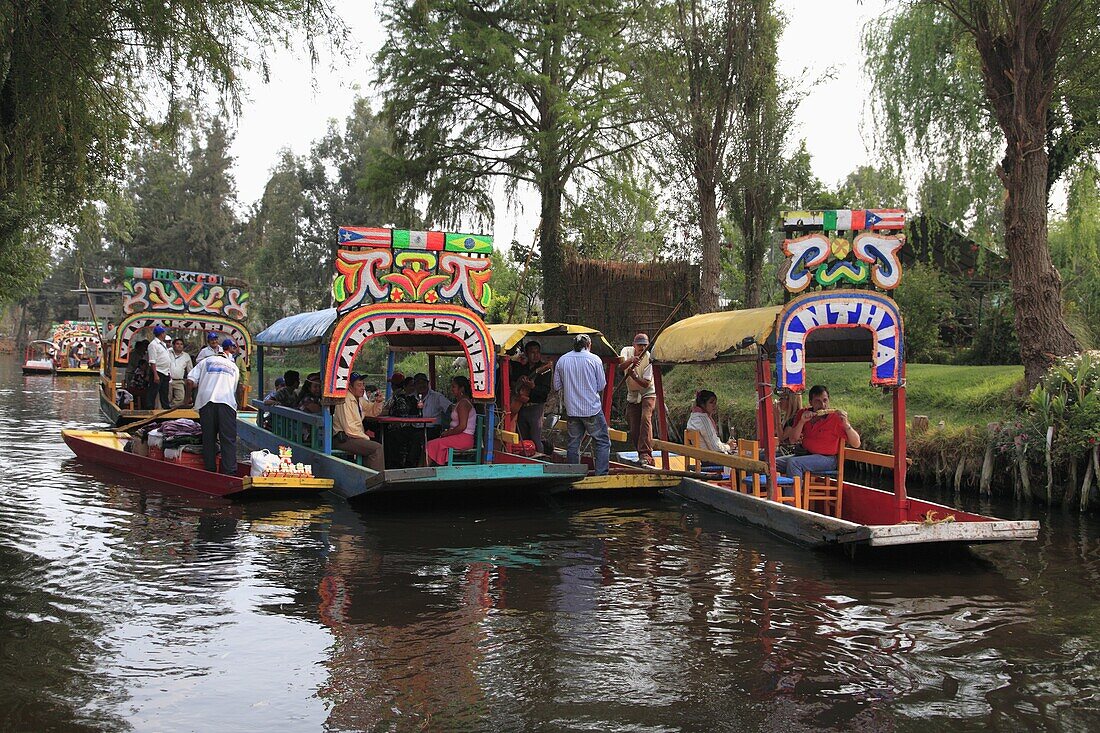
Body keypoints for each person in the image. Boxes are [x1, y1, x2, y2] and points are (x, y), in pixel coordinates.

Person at [552, 333, 611, 475]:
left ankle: (573, 474)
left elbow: (556, 386)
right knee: (602, 442)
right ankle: (601, 474)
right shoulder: (594, 359)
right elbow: (601, 385)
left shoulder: (562, 360)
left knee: (573, 443)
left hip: (572, 410)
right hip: (591, 409)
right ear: (589, 345)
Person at [775, 385, 861, 479]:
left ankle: (793, 494)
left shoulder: (836, 418)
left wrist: (846, 425)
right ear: (810, 402)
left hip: (827, 459)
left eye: (825, 400)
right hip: (805, 454)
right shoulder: (803, 414)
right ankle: (777, 492)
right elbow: (792, 440)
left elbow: (856, 443)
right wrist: (802, 422)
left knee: (794, 463)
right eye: (818, 401)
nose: (822, 405)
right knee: (773, 463)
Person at [185, 338, 241, 475]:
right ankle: (230, 472)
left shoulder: (205, 362)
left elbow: (189, 381)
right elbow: (235, 389)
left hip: (207, 402)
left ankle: (210, 469)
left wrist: (188, 398)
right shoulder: (233, 367)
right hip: (226, 403)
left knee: (208, 438)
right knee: (228, 439)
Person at [332, 373, 385, 471]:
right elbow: (349, 428)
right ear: (350, 387)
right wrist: (366, 438)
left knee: (374, 445)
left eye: (363, 385)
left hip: (354, 437)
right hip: (343, 439)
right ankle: (376, 479)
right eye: (359, 385)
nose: (363, 388)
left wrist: (378, 402)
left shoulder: (359, 399)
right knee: (376, 448)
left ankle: (367, 475)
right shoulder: (345, 400)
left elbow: (372, 411)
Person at [510, 341, 554, 452]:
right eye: (532, 352)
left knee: (536, 438)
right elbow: (514, 381)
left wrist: (533, 387)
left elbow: (545, 391)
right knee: (522, 439)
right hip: (521, 406)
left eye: (537, 352)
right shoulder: (522, 368)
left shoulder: (544, 369)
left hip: (536, 408)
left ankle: (540, 460)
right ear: (526, 353)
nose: (535, 355)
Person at [619, 332, 656, 465]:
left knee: (645, 418)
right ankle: (640, 452)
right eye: (640, 345)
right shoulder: (626, 351)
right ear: (634, 345)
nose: (642, 348)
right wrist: (631, 361)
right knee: (633, 424)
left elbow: (646, 384)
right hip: (633, 393)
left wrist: (634, 376)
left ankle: (646, 453)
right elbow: (620, 367)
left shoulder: (648, 358)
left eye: (645, 346)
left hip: (647, 392)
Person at [425, 376, 477, 465]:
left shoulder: (463, 404)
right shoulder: (460, 402)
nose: (451, 389)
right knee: (432, 444)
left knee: (430, 445)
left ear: (461, 389)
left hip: (463, 438)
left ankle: (423, 471)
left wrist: (448, 433)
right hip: (459, 436)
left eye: (454, 387)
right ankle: (423, 468)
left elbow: (462, 426)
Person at [686, 390, 737, 455]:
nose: (714, 406)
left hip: (700, 456)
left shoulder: (693, 417)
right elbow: (715, 448)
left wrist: (726, 445)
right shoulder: (703, 420)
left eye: (715, 403)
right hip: (709, 458)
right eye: (711, 403)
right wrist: (729, 446)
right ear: (703, 404)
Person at [413, 372, 451, 441]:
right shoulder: (411, 397)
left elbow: (450, 407)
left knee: (417, 438)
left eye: (423, 383)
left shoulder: (437, 397)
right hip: (415, 427)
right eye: (419, 383)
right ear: (415, 386)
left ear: (427, 384)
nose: (421, 385)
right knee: (395, 434)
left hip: (432, 428)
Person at [147, 324, 173, 409]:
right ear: (161, 334)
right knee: (153, 392)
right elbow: (152, 361)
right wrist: (155, 374)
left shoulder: (163, 344)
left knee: (164, 392)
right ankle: (149, 408)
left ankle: (165, 408)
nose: (165, 334)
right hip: (158, 371)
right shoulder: (153, 344)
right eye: (164, 333)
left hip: (165, 371)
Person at [168, 337, 194, 406]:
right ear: (173, 345)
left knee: (181, 398)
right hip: (168, 380)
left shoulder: (186, 356)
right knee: (167, 398)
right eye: (177, 344)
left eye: (181, 344)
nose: (179, 345)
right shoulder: (167, 353)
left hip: (179, 381)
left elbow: (190, 370)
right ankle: (164, 411)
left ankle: (170, 409)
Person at [126, 340, 152, 410]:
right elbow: (136, 364)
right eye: (144, 346)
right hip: (131, 372)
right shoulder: (134, 354)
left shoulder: (144, 354)